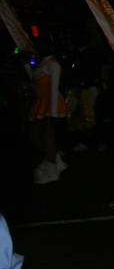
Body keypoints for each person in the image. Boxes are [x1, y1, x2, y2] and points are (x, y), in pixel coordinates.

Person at [29, 38, 67, 184]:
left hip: (50, 103)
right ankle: (57, 160)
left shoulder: (53, 64)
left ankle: (51, 172)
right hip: (41, 102)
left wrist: (53, 113)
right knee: (35, 136)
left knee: (48, 137)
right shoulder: (42, 62)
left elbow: (54, 89)